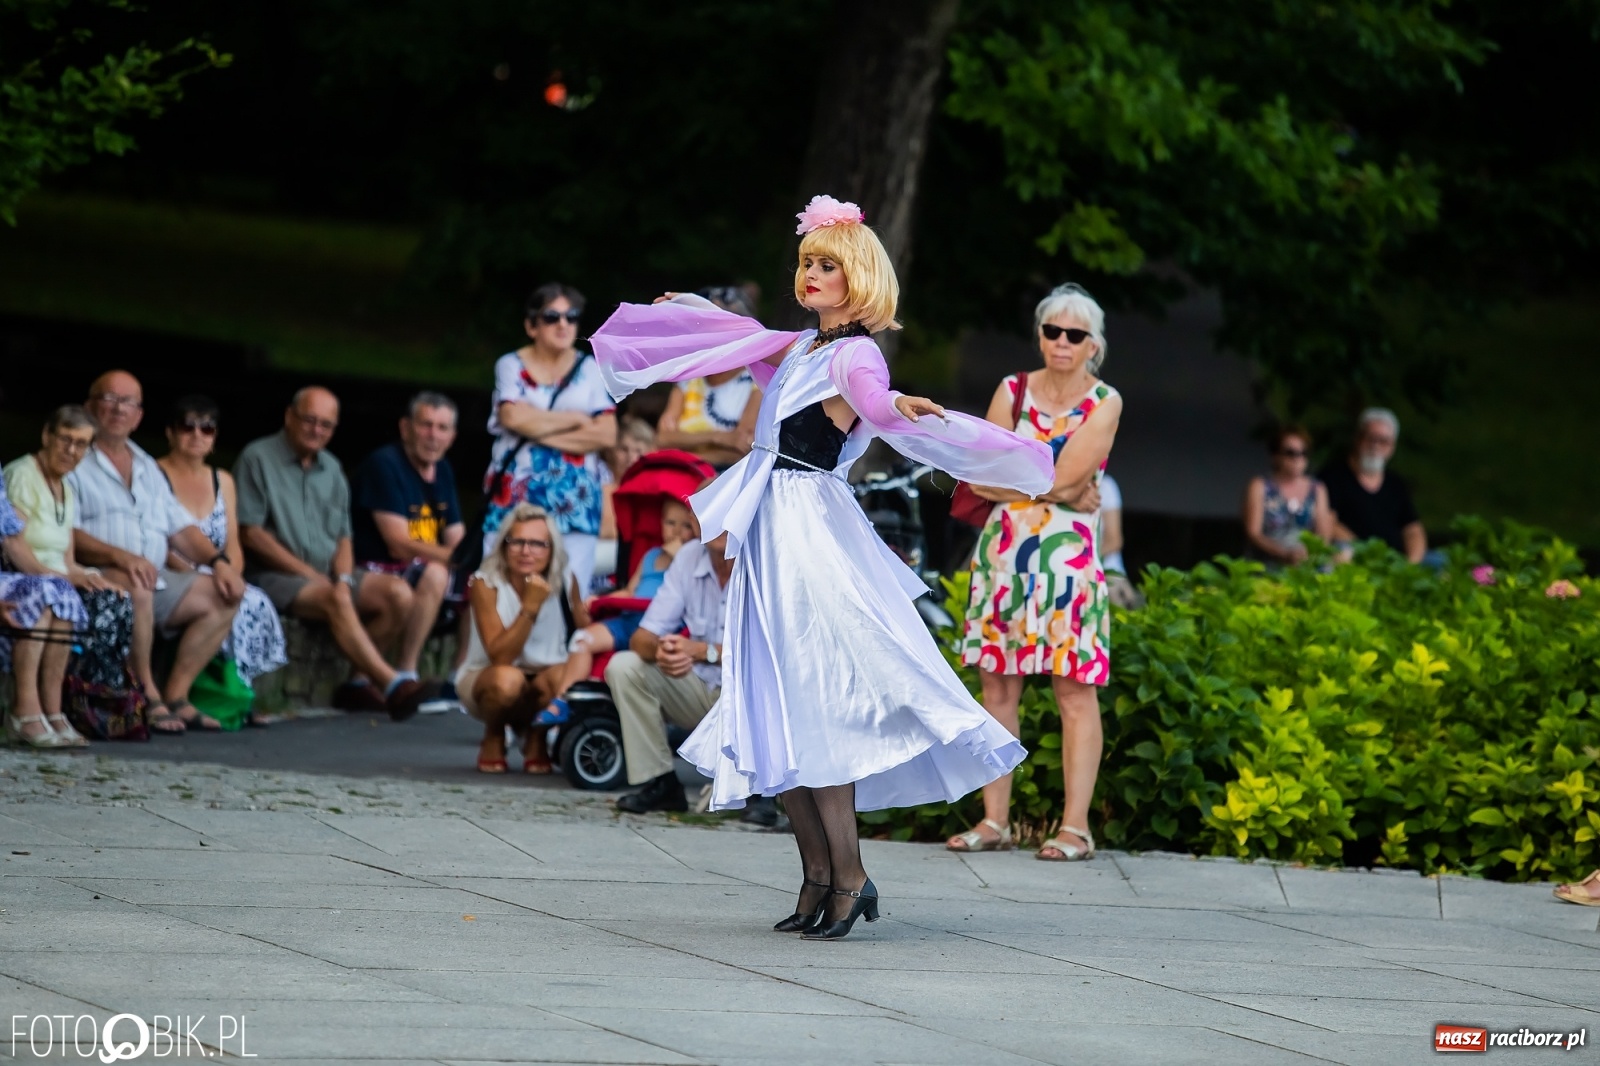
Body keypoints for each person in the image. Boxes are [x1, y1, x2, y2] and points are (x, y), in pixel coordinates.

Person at [591, 194, 1053, 940]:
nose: (810, 274)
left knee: (812, 703)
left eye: (827, 265)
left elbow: (874, 396)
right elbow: (745, 337)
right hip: (771, 526)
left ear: (858, 277)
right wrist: (693, 307)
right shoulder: (803, 347)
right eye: (807, 262)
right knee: (776, 704)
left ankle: (851, 877)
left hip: (807, 528)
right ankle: (816, 878)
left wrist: (900, 402)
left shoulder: (855, 352)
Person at [953, 283, 1123, 863]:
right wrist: (1059, 488)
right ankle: (993, 818)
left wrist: (1042, 484)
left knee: (1073, 689)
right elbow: (979, 472)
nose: (1062, 342)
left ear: (1093, 345)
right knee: (997, 684)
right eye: (1053, 331)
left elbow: (1065, 479)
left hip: (1067, 565)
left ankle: (1075, 827)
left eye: (1075, 335)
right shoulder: (1012, 389)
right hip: (1004, 556)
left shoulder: (1106, 401)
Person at [234, 386, 438, 720]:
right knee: (337, 599)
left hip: (326, 577)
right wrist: (312, 576)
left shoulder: (332, 468)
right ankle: (392, 684)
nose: (317, 430)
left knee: (399, 594)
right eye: (309, 420)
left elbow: (344, 538)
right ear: (289, 416)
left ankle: (356, 685)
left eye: (326, 425)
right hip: (273, 577)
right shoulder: (257, 458)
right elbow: (252, 535)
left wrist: (343, 578)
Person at [68, 371, 244, 733]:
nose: (119, 409)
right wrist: (119, 556)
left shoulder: (146, 465)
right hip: (96, 575)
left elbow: (181, 529)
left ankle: (177, 695)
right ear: (89, 407)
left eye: (128, 402)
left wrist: (219, 563)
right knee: (139, 583)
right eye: (110, 399)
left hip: (153, 578)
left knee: (223, 594)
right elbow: (65, 530)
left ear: (139, 415)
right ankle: (147, 694)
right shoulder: (74, 459)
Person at [483, 282, 618, 596]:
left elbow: (607, 433)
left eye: (571, 317)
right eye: (551, 317)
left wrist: (536, 425)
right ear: (531, 326)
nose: (563, 324)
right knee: (501, 592)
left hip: (576, 499)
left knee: (569, 597)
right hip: (515, 496)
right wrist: (576, 420)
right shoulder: (510, 364)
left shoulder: (591, 368)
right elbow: (512, 418)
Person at [156, 396, 288, 708]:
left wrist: (230, 572)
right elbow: (159, 541)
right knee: (219, 596)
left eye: (207, 429)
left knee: (251, 599)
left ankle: (237, 692)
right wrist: (202, 573)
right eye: (187, 427)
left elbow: (233, 544)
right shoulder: (154, 474)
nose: (197, 435)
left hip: (217, 570)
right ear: (170, 433)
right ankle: (199, 693)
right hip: (174, 571)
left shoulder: (222, 480)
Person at [605, 530, 732, 813]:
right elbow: (642, 637)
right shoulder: (689, 556)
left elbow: (771, 652)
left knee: (764, 682)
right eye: (710, 514)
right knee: (625, 666)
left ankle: (761, 794)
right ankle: (660, 782)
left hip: (751, 699)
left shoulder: (763, 558)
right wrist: (664, 651)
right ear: (696, 523)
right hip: (702, 691)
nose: (720, 524)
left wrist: (701, 651)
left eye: (728, 512)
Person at [455, 503, 588, 773]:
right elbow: (500, 656)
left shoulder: (564, 579)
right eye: (517, 542)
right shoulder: (485, 582)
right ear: (504, 546)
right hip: (489, 678)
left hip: (544, 678)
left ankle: (536, 736)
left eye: (538, 544)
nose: (526, 551)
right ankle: (494, 733)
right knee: (508, 680)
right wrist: (530, 607)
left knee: (567, 673)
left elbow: (584, 633)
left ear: (552, 550)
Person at [349, 391, 466, 685]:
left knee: (484, 578)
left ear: (452, 436)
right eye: (425, 425)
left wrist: (473, 559)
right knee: (437, 573)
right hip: (375, 565)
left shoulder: (444, 470)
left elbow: (457, 535)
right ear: (405, 428)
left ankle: (458, 678)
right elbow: (397, 544)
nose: (433, 435)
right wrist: (458, 558)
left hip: (417, 566)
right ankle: (406, 671)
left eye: (442, 428)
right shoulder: (384, 465)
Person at [0, 411, 98, 748]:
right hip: (15, 575)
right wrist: (54, 578)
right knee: (48, 591)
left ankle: (53, 711)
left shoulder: (67, 488)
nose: (71, 450)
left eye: (81, 444)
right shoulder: (21, 474)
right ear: (47, 436)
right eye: (65, 439)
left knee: (69, 591)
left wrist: (84, 576)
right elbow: (12, 544)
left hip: (38, 579)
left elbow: (67, 559)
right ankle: (24, 711)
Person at [654, 286, 763, 470]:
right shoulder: (689, 377)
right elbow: (662, 438)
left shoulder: (756, 382)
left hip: (727, 477)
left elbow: (743, 448)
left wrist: (683, 451)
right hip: (684, 472)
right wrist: (719, 437)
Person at [1320, 408, 1427, 563]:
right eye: (1371, 438)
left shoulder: (1395, 484)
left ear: (1392, 447)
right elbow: (1326, 521)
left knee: (1445, 562)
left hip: (1396, 561)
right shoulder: (1333, 477)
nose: (1375, 446)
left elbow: (1413, 529)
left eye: (1383, 441)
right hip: (1355, 556)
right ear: (1357, 439)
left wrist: (1411, 563)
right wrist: (1365, 552)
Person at [1243, 425, 1335, 567]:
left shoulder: (1317, 488)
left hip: (1307, 562)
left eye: (1303, 453)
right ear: (1276, 455)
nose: (1297, 458)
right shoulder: (1260, 486)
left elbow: (1323, 534)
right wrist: (1284, 554)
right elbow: (1253, 533)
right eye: (1290, 453)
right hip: (1269, 561)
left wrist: (1309, 555)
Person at [594, 416, 656, 589]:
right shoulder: (602, 477)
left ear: (651, 453)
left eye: (639, 451)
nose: (631, 457)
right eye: (624, 449)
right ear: (611, 451)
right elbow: (606, 529)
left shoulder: (652, 487)